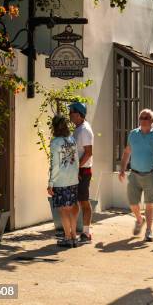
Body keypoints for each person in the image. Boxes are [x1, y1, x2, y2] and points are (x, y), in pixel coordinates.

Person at [119, 109, 153, 242]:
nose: (144, 119)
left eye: (147, 117)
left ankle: (149, 231)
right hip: (134, 174)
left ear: (152, 121)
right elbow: (127, 152)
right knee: (133, 203)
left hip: (151, 174)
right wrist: (122, 169)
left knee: (149, 204)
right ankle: (140, 220)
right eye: (142, 117)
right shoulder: (133, 134)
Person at [48, 115, 80, 247]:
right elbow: (77, 159)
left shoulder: (55, 143)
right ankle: (73, 237)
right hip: (73, 179)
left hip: (61, 181)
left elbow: (55, 165)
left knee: (63, 210)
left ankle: (67, 237)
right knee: (71, 209)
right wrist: (76, 174)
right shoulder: (71, 139)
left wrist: (50, 183)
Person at [68, 102, 94, 243]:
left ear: (78, 114)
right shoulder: (78, 129)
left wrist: (77, 169)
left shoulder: (84, 130)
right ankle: (74, 231)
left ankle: (86, 233)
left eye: (71, 112)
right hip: (77, 171)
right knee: (75, 201)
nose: (69, 115)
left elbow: (88, 153)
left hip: (83, 171)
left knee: (84, 201)